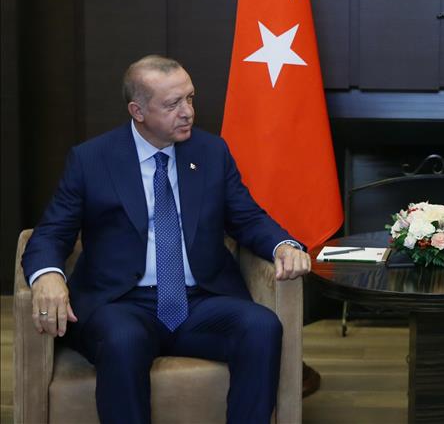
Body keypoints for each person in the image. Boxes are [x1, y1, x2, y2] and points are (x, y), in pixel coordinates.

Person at [21, 54, 311, 424]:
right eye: (172, 104)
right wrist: (47, 274)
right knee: (123, 340)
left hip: (200, 300)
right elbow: (51, 232)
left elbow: (246, 217)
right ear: (138, 111)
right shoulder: (92, 159)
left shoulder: (211, 152)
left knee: (261, 326)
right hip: (122, 303)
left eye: (190, 98)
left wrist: (283, 245)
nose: (187, 112)